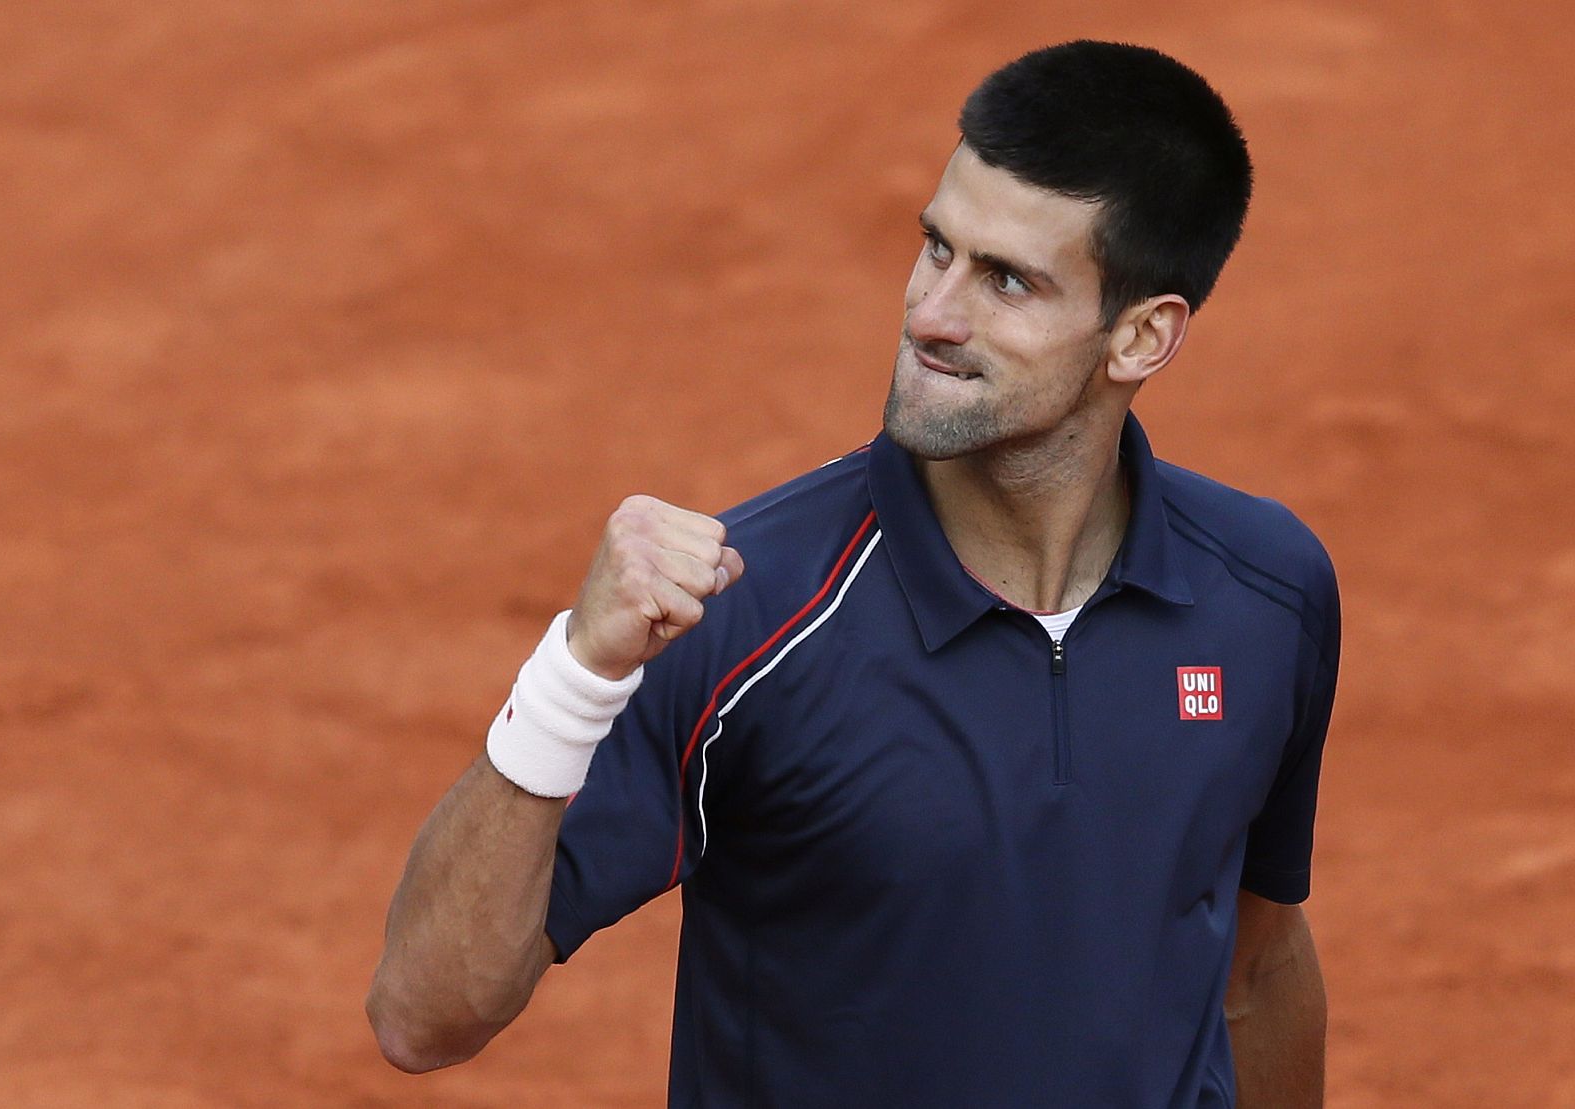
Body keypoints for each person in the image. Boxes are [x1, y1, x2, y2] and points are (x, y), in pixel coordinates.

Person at [367, 39, 1338, 1108]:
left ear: (1142, 337)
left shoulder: (1266, 595)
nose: (930, 313)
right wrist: (574, 675)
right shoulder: (745, 613)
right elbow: (425, 1010)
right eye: (936, 247)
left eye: (1005, 279)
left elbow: (1255, 962)